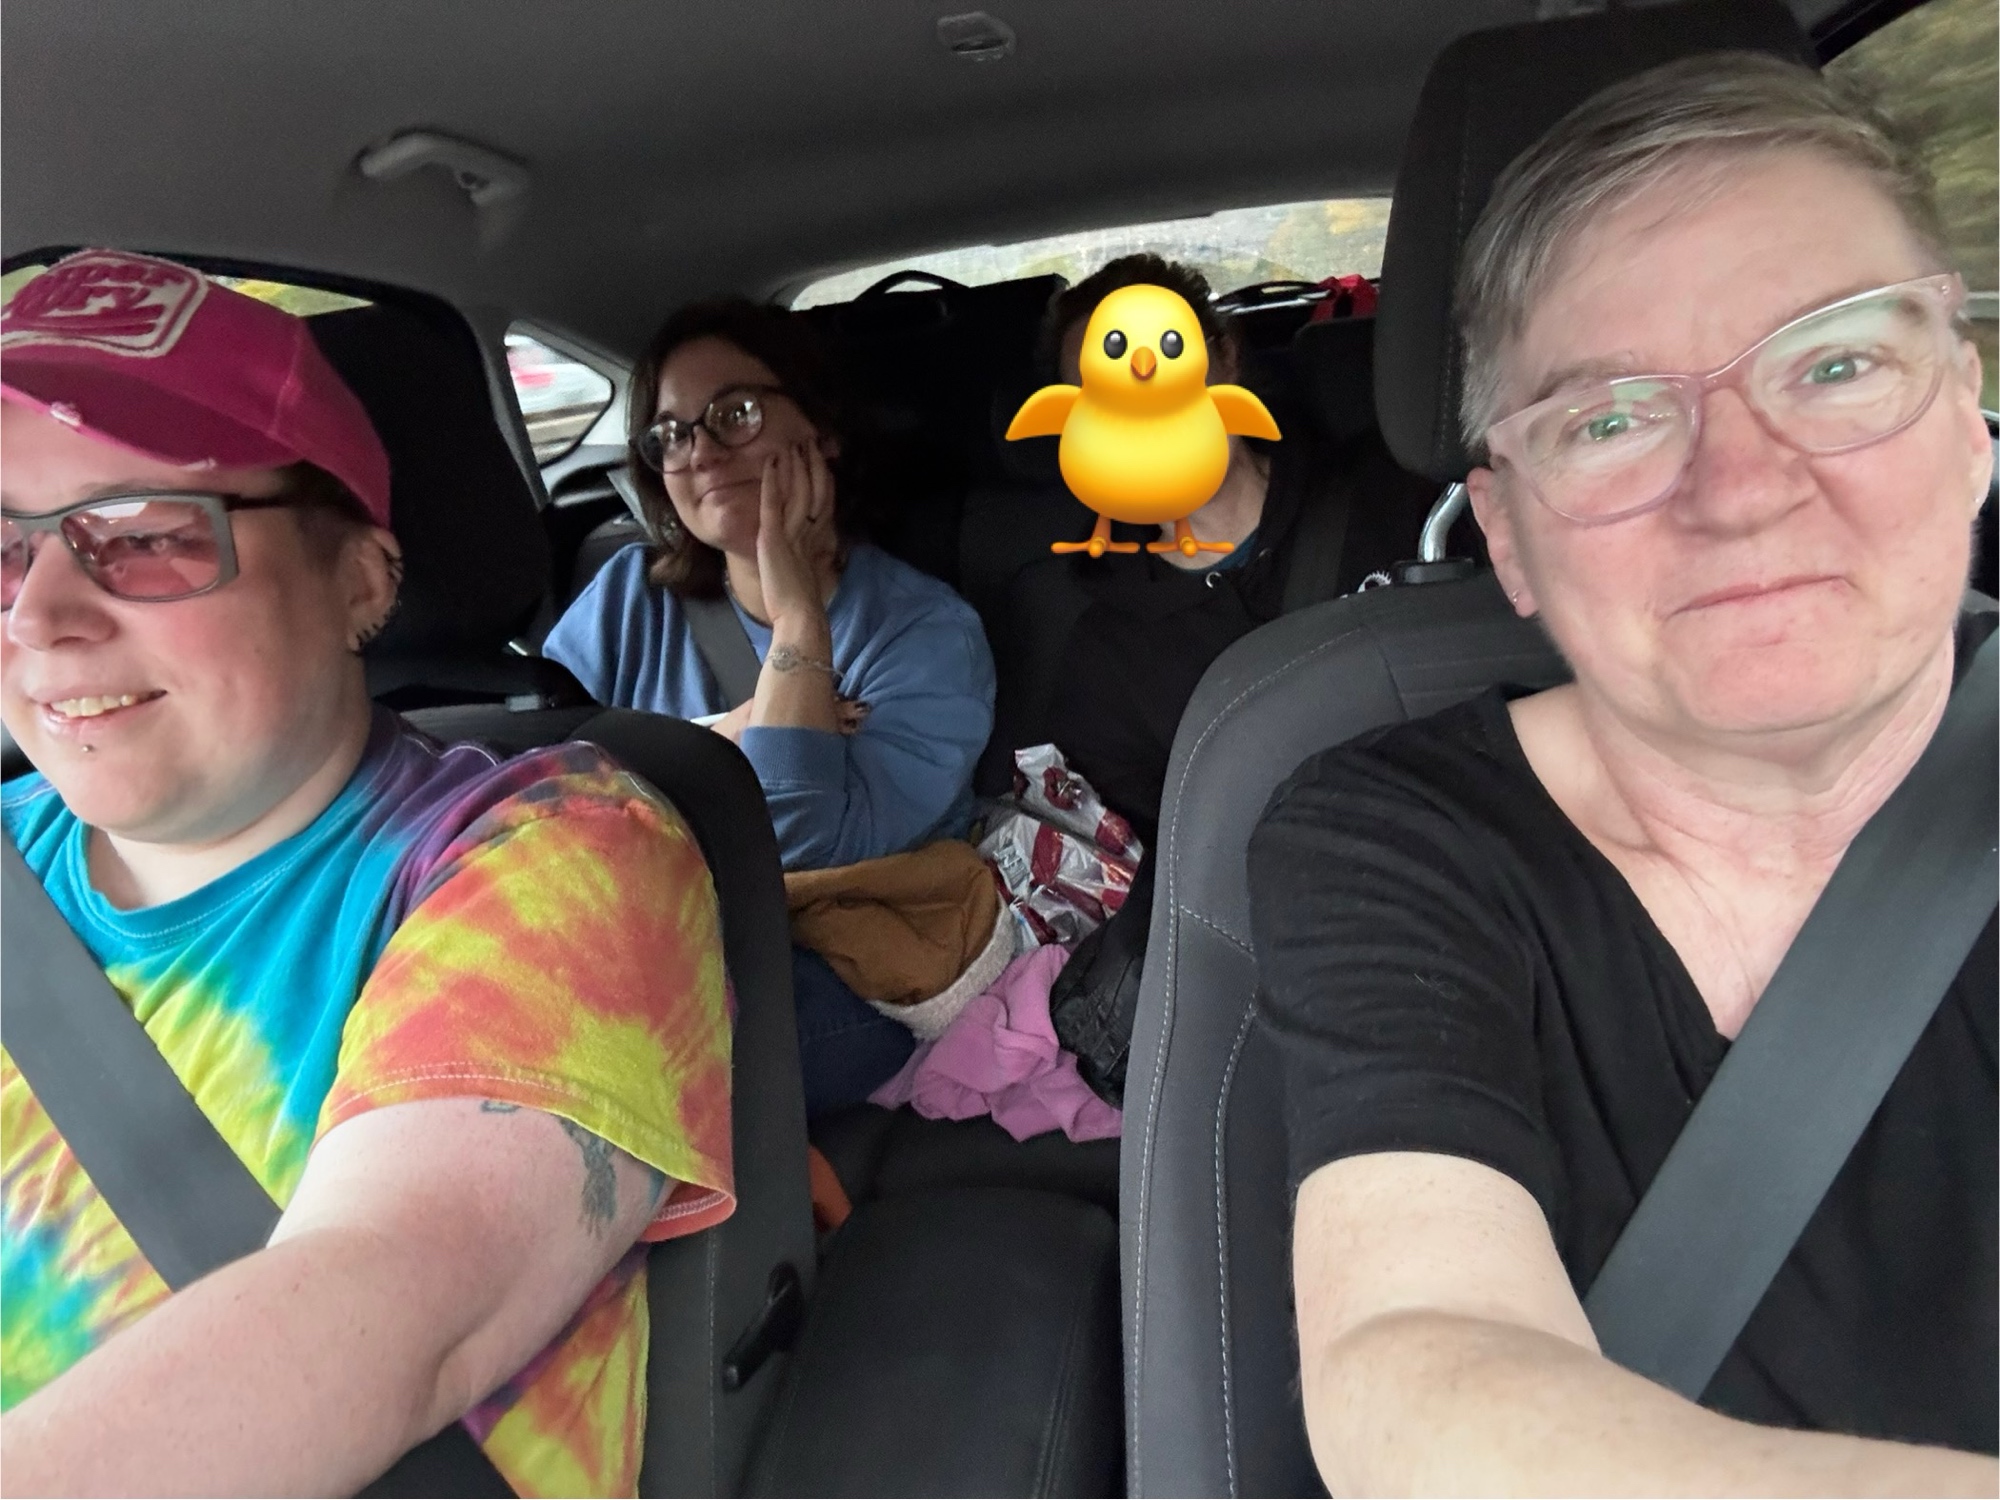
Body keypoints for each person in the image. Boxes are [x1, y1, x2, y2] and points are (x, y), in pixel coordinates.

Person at [1249, 55, 1996, 1494]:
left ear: (1967, 417)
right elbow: (1415, 1349)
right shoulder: (1395, 840)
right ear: (1508, 540)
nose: (1742, 489)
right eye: (1608, 420)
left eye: (1834, 364)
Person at [0, 250, 734, 1497]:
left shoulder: (555, 857)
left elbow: (387, 1304)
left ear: (360, 579)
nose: (36, 617)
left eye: (144, 536)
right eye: (3, 547)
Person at [986, 254, 1437, 1104]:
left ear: (1224, 358)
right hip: (1316, 966)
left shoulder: (1398, 498)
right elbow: (1172, 875)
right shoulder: (1104, 653)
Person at [543, 298, 995, 1113]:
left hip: (841, 966)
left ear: (822, 430)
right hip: (647, 940)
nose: (701, 452)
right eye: (672, 434)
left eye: (735, 415)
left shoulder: (927, 633)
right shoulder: (627, 600)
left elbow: (797, 849)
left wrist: (796, 623)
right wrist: (728, 731)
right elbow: (536, 797)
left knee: (615, 1061)